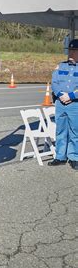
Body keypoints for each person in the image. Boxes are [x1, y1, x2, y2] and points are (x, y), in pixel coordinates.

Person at [48, 39, 78, 170]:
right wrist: (60, 94)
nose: (70, 53)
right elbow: (54, 82)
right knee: (60, 130)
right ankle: (60, 156)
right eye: (70, 50)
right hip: (60, 103)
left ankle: (74, 157)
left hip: (74, 104)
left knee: (74, 132)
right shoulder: (61, 66)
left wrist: (70, 96)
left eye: (74, 51)